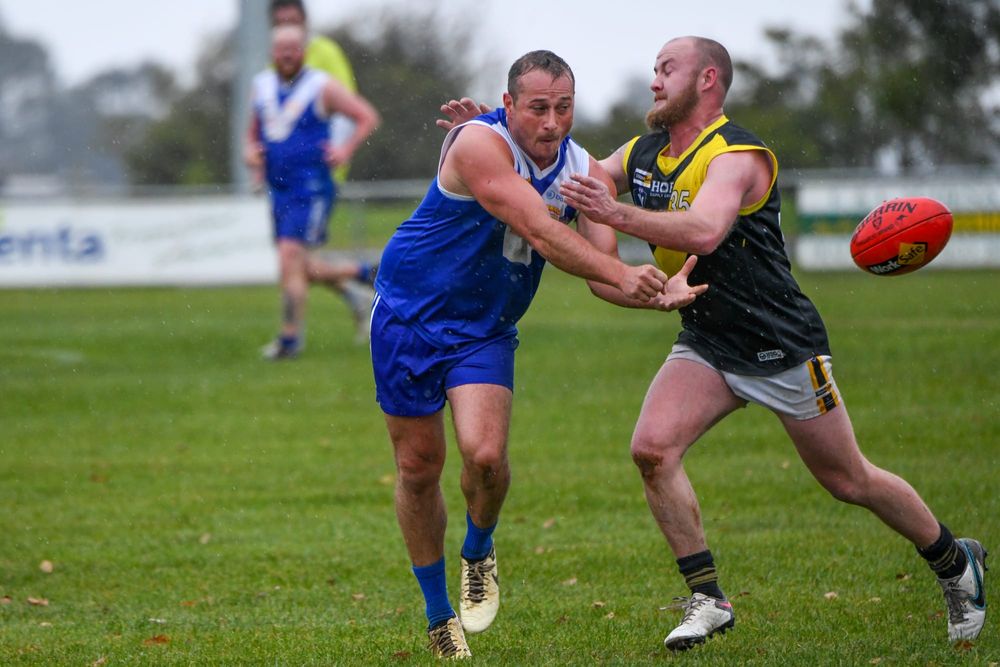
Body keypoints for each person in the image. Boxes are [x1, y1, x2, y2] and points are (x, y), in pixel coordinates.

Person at [553, 36, 987, 650]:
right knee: (652, 450)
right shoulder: (643, 152)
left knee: (848, 480)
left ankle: (954, 561)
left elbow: (705, 230)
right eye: (654, 69)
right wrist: (502, 140)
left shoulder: (737, 154)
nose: (655, 80)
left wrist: (613, 216)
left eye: (667, 69)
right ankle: (708, 599)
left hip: (780, 342)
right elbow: (585, 175)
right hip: (708, 338)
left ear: (707, 79)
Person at [371, 50, 706, 659]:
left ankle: (478, 549)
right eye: (538, 108)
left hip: (485, 329)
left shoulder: (583, 172)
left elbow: (605, 274)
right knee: (418, 468)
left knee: (486, 458)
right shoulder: (478, 144)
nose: (552, 123)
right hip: (408, 317)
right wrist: (620, 272)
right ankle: (439, 615)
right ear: (508, 105)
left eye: (564, 108)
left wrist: (654, 292)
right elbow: (540, 230)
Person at [245, 23, 380, 359]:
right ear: (272, 53)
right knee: (297, 266)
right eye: (281, 50)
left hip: (311, 186)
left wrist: (345, 149)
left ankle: (290, 340)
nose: (287, 55)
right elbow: (253, 135)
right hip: (278, 188)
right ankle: (363, 275)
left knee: (289, 258)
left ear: (303, 52)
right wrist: (253, 159)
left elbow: (366, 116)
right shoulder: (261, 86)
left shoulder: (321, 86)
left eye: (293, 49)